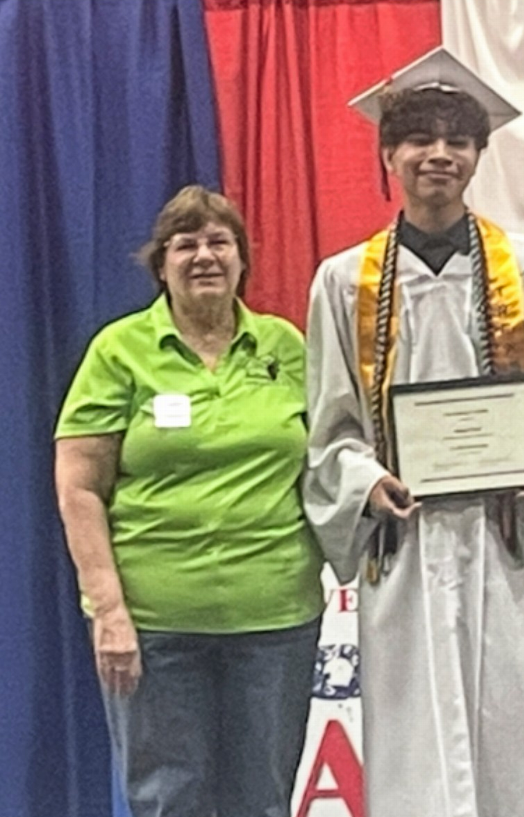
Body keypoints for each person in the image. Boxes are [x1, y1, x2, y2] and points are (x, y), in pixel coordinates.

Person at [304, 48, 524, 817]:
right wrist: (364, 480)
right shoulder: (344, 283)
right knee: (415, 733)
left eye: (458, 138)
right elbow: (331, 426)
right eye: (418, 137)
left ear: (478, 155)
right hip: (406, 544)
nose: (438, 153)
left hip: (518, 538)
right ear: (389, 153)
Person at [54, 185, 323, 817]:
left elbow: (332, 453)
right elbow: (78, 487)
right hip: (156, 624)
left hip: (276, 621)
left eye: (219, 242)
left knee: (263, 801)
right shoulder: (119, 352)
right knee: (172, 800)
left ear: (241, 259)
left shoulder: (285, 347)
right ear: (162, 263)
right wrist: (109, 610)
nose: (204, 256)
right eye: (186, 243)